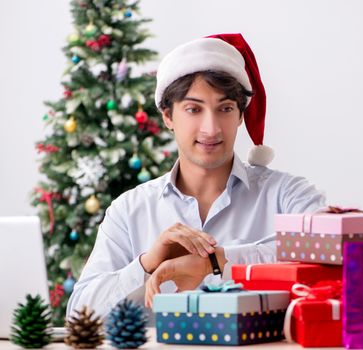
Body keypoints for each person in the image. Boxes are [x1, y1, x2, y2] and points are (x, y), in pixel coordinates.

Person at [67, 33, 325, 318]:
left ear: (240, 115)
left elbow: (329, 258)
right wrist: (147, 264)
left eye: (225, 109)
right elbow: (80, 313)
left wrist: (217, 261)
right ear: (168, 116)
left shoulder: (288, 195)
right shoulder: (128, 211)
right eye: (193, 109)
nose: (210, 128)